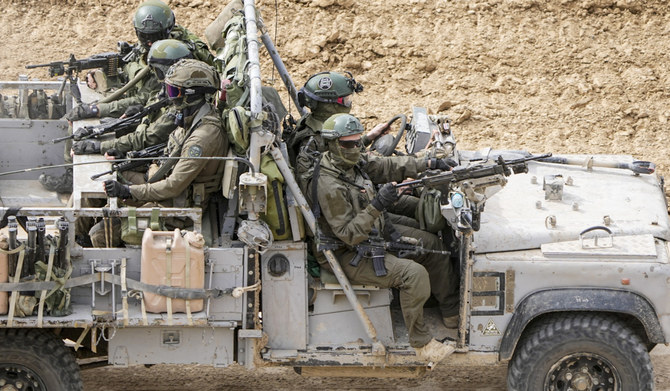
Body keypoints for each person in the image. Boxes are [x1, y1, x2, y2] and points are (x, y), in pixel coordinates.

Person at [313, 113, 458, 362]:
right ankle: (422, 344)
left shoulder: (349, 161)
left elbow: (387, 166)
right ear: (332, 144)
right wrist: (378, 204)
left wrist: (428, 163)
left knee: (431, 244)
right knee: (414, 275)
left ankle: (450, 313)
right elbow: (348, 235)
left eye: (358, 142)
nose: (356, 148)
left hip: (371, 233)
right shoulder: (330, 184)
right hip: (346, 253)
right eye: (348, 143)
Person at [39, 0, 215, 192]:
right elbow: (146, 103)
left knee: (105, 176)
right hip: (143, 140)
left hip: (150, 158)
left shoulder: (181, 102)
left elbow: (151, 134)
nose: (148, 42)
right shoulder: (172, 86)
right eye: (144, 36)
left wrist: (102, 145)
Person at [92, 59, 226, 247]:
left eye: (173, 91)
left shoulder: (203, 137)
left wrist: (128, 191)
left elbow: (173, 186)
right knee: (101, 183)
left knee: (99, 233)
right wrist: (129, 158)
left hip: (178, 207)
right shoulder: (193, 118)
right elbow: (168, 156)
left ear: (190, 94)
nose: (170, 97)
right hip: (163, 188)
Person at [71, 39, 194, 158]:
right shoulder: (172, 91)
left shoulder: (181, 104)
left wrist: (100, 146)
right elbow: (150, 106)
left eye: (157, 70)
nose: (155, 75)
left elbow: (149, 136)